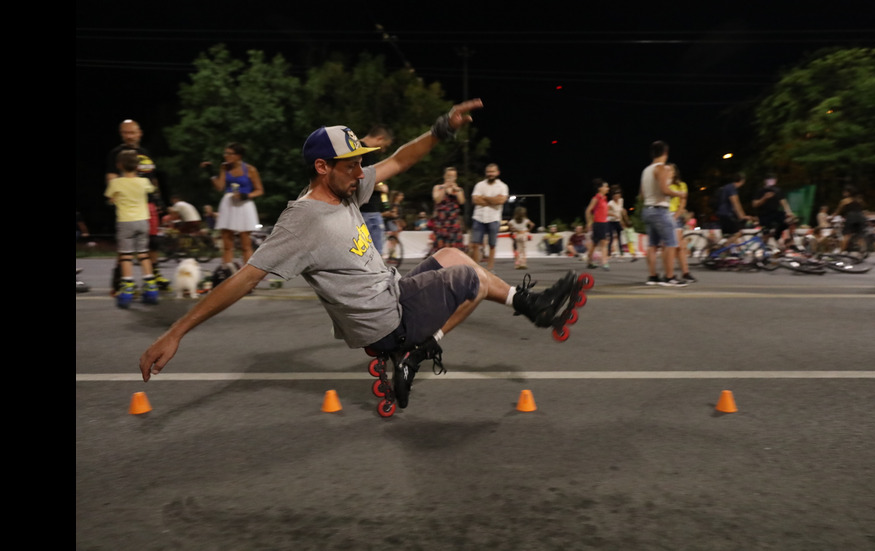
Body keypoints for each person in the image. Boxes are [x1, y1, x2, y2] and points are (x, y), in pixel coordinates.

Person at [139, 100, 587, 412]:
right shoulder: (303, 221)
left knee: (452, 253)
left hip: (391, 293)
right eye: (351, 164)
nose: (361, 172)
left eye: (359, 163)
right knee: (468, 278)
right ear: (322, 167)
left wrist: (440, 128)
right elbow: (244, 279)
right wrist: (176, 332)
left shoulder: (347, 187)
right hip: (385, 321)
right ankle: (421, 350)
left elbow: (398, 161)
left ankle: (530, 308)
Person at [106, 119, 168, 287]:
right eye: (125, 132)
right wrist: (116, 198)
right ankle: (119, 278)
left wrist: (159, 200)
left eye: (132, 132)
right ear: (121, 134)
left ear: (139, 133)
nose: (129, 136)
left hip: (149, 204)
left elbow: (152, 178)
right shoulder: (117, 153)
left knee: (152, 242)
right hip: (129, 205)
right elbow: (111, 176)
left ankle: (154, 275)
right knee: (126, 245)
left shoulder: (145, 152)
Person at [104, 149, 159, 308]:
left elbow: (110, 199)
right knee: (143, 254)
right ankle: (151, 287)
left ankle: (127, 288)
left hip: (125, 222)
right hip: (143, 221)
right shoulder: (143, 182)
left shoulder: (116, 183)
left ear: (119, 165)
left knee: (126, 256)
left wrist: (115, 200)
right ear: (137, 166)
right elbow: (151, 190)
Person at [206, 142, 265, 265]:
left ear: (238, 156)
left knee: (245, 245)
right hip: (229, 204)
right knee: (227, 244)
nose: (225, 156)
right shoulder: (225, 167)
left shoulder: (250, 169)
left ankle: (247, 277)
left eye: (229, 153)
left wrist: (246, 195)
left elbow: (259, 190)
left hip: (244, 204)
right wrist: (210, 172)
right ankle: (227, 273)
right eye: (225, 153)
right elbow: (219, 187)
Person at [639, 141, 688, 287]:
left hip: (647, 209)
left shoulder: (646, 170)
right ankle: (669, 277)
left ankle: (652, 276)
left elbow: (641, 195)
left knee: (652, 245)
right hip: (660, 210)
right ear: (665, 153)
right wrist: (679, 194)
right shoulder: (661, 168)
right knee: (671, 243)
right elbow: (664, 189)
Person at [357, 126, 395, 251]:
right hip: (369, 211)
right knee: (376, 255)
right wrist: (380, 187)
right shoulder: (367, 153)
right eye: (385, 145)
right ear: (380, 138)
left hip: (358, 210)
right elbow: (360, 180)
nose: (383, 150)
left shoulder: (355, 148)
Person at [469, 163, 508, 270]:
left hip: (494, 218)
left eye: (493, 172)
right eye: (488, 172)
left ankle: (490, 269)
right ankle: (475, 269)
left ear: (497, 173)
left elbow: (501, 201)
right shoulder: (479, 185)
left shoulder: (502, 186)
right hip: (479, 217)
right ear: (486, 173)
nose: (490, 174)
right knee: (475, 244)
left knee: (492, 245)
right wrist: (493, 200)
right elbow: (475, 200)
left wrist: (484, 198)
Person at [667, 164, 696, 282]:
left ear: (675, 172)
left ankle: (684, 273)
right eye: (667, 170)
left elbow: (682, 203)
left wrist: (676, 216)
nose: (668, 172)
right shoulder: (664, 184)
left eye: (671, 170)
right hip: (663, 215)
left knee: (680, 246)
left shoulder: (681, 185)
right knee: (673, 246)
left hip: (675, 215)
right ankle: (673, 275)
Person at [751, 173, 794, 247]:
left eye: (773, 180)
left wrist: (788, 212)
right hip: (764, 214)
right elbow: (754, 204)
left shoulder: (778, 190)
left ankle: (784, 240)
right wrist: (764, 198)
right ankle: (763, 247)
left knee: (789, 221)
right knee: (766, 231)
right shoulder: (761, 191)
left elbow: (783, 202)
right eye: (769, 180)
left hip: (775, 213)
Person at [431, 166, 467, 252]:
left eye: (453, 176)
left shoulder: (459, 189)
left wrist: (456, 190)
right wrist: (444, 188)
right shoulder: (438, 187)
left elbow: (462, 201)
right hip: (441, 223)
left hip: (453, 223)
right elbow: (437, 200)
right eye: (449, 176)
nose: (451, 178)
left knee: (455, 249)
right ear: (444, 176)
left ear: (456, 177)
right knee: (440, 249)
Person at [831, 184, 867, 253]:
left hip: (851, 216)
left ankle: (841, 251)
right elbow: (862, 207)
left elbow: (838, 211)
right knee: (860, 235)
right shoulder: (859, 200)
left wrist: (832, 217)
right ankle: (862, 251)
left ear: (848, 193)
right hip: (860, 216)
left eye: (844, 192)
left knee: (847, 235)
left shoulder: (845, 200)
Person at [584, 178, 611, 270]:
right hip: (598, 224)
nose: (608, 188)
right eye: (606, 186)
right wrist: (589, 222)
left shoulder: (604, 199)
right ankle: (604, 263)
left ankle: (589, 261)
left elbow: (604, 212)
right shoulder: (596, 198)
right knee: (604, 243)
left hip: (604, 223)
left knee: (595, 244)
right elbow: (588, 210)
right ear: (600, 188)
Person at [606, 185, 626, 258]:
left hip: (617, 221)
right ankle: (608, 253)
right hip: (610, 221)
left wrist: (622, 221)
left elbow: (621, 211)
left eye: (618, 195)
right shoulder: (610, 203)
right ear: (613, 196)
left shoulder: (621, 200)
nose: (617, 197)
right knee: (611, 237)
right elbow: (606, 212)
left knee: (619, 236)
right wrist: (614, 215)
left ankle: (621, 252)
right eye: (615, 196)